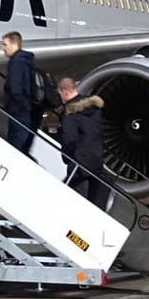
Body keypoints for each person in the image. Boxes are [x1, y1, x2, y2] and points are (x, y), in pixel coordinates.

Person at [57, 76, 108, 207]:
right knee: (91, 205)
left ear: (65, 92)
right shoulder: (94, 109)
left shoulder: (70, 113)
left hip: (79, 165)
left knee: (75, 203)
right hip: (96, 163)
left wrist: (66, 156)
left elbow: (70, 139)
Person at [1, 32, 39, 158]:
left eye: (5, 44)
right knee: (22, 147)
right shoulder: (27, 61)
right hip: (26, 109)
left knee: (14, 149)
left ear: (14, 44)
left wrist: (21, 105)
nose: (3, 48)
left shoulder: (16, 62)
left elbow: (15, 87)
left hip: (19, 110)